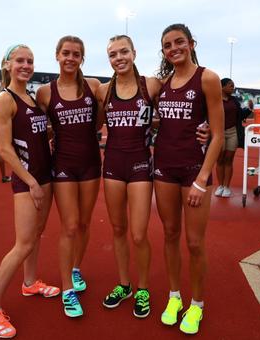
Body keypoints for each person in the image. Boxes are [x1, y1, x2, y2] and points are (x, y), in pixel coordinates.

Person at [0, 44, 59, 339]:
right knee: (23, 243)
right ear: (6, 64)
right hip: (29, 181)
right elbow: (3, 149)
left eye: (30, 61)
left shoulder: (32, 97)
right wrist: (30, 181)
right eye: (20, 61)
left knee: (35, 237)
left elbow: (35, 133)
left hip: (45, 176)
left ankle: (30, 282)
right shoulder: (5, 99)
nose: (26, 65)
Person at [153, 23, 224, 335]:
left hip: (194, 171)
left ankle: (196, 304)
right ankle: (173, 297)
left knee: (194, 243)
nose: (173, 48)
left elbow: (219, 135)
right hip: (164, 169)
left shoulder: (207, 78)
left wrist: (202, 178)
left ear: (192, 43)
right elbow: (163, 122)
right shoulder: (164, 83)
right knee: (169, 235)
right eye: (167, 45)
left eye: (179, 42)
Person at [94, 35, 161, 318]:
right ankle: (124, 285)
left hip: (139, 166)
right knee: (118, 230)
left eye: (123, 51)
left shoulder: (151, 85)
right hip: (112, 165)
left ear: (134, 52)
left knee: (137, 233)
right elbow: (92, 124)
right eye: (112, 54)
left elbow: (178, 108)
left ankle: (143, 288)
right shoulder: (104, 90)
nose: (118, 57)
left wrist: (204, 127)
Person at [35, 36, 101, 318]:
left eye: (76, 54)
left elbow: (101, 119)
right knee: (69, 226)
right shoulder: (45, 92)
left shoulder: (94, 86)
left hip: (90, 164)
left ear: (82, 58)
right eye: (66, 53)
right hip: (62, 165)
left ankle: (75, 269)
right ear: (57, 55)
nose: (70, 58)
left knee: (85, 223)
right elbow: (37, 127)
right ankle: (67, 290)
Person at [215, 78, 252, 198]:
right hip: (218, 133)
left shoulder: (234, 100)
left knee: (229, 160)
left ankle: (226, 187)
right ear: (222, 87)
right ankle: (220, 186)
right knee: (220, 160)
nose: (233, 88)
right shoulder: (214, 100)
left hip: (232, 133)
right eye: (230, 86)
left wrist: (249, 109)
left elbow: (240, 115)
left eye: (233, 86)